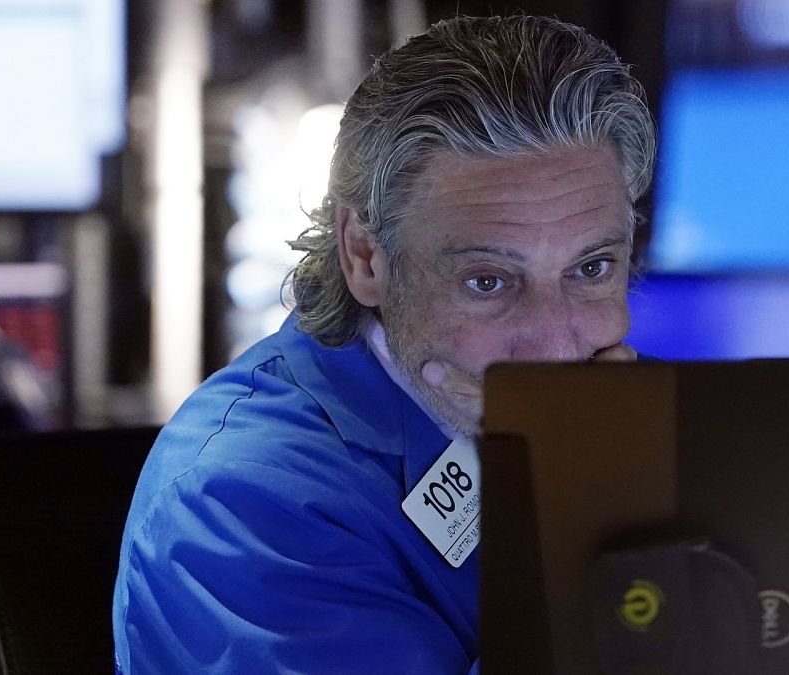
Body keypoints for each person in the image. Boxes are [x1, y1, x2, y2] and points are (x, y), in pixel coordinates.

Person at [112, 14, 655, 674]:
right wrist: (591, 519)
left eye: (591, 268)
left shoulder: (637, 423)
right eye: (488, 280)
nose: (557, 346)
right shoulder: (241, 502)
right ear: (365, 255)